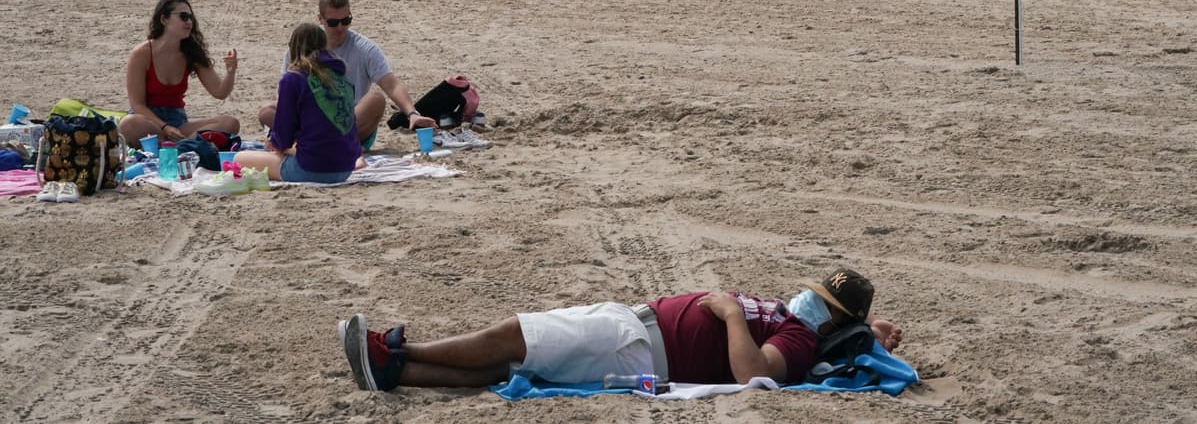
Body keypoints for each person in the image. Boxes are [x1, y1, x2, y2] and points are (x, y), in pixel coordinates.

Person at [339, 266, 901, 392]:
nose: (809, 301)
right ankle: (397, 370)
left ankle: (398, 349)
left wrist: (730, 313)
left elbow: (754, 374)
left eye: (821, 302)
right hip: (636, 330)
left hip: (640, 346)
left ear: (829, 319)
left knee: (519, 335)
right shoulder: (802, 320)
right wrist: (868, 332)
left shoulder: (800, 339)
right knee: (514, 363)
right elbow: (847, 333)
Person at [256, 0, 434, 150]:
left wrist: (412, 113)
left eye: (346, 20)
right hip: (312, 121)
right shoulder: (302, 46)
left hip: (348, 121)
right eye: (333, 22)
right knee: (267, 111)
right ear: (321, 19)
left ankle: (315, 144)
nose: (340, 28)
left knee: (376, 100)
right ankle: (316, 143)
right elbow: (284, 94)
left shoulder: (365, 48)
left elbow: (391, 84)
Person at [235, 23, 363, 183]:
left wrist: (274, 142)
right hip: (345, 168)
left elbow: (283, 137)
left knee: (240, 159)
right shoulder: (343, 78)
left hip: (311, 169)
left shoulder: (293, 79)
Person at [118, 0, 240, 146]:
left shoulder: (191, 52)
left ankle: (178, 146)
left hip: (179, 124)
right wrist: (164, 127)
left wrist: (230, 72)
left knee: (230, 123)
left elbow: (220, 92)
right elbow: (137, 105)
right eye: (183, 17)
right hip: (148, 121)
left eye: (190, 17)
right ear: (164, 19)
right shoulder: (141, 54)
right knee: (128, 124)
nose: (189, 22)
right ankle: (185, 146)